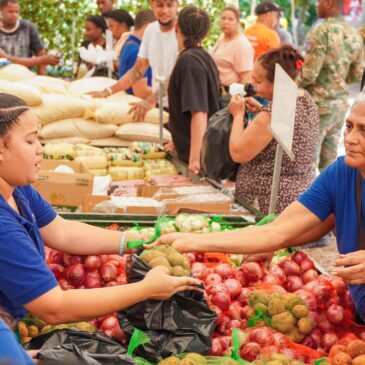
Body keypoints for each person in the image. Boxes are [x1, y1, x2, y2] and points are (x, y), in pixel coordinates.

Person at [152, 93, 365, 320]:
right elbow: (275, 231)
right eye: (349, 126)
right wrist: (188, 241)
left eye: (363, 130)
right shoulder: (340, 174)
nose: (350, 138)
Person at [0, 93, 200, 323]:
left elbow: (61, 231)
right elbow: (54, 307)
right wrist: (145, 290)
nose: (40, 149)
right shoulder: (3, 227)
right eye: (30, 141)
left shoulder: (16, 189)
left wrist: (134, 241)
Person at [229, 45, 319, 215]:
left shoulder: (272, 114)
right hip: (300, 198)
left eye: (258, 81)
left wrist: (238, 114)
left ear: (277, 83)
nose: (252, 85)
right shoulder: (305, 98)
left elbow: (237, 152)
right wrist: (261, 112)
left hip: (270, 204)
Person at [297, 0, 364, 171]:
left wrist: (291, 88)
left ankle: (311, 199)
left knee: (307, 163)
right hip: (339, 106)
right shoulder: (354, 34)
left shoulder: (321, 31)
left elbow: (310, 73)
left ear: (328, 3)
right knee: (329, 163)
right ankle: (332, 198)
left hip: (316, 106)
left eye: (318, 2)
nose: (316, 6)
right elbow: (356, 75)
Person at [88, 0, 179, 123]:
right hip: (161, 107)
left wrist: (150, 100)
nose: (164, 10)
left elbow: (178, 77)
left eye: (169, 5)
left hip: (181, 107)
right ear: (151, 4)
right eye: (160, 5)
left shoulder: (183, 31)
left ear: (177, 4)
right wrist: (107, 91)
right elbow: (138, 70)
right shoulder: (151, 31)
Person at [168, 5, 220, 174]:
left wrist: (195, 160)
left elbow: (199, 112)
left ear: (177, 26)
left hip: (197, 159)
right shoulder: (202, 57)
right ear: (205, 34)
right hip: (199, 151)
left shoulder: (190, 61)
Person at [0, 0, 59, 75]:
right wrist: (41, 60)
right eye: (10, 12)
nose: (14, 15)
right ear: (1, 12)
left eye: (16, 12)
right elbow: (7, 59)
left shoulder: (27, 27)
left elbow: (40, 52)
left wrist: (41, 77)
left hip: (25, 75)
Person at [210, 6, 254, 89]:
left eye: (230, 19)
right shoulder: (223, 36)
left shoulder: (242, 45)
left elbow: (245, 78)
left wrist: (238, 97)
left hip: (229, 93)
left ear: (238, 22)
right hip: (216, 89)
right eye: (223, 18)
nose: (225, 22)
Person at [118, 9, 155, 99]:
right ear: (148, 27)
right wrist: (167, 91)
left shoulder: (130, 42)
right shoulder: (136, 52)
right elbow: (141, 92)